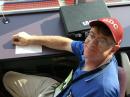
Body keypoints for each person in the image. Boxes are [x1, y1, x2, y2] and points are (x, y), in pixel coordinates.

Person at [3, 17, 125, 97]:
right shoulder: (90, 50)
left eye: (102, 41)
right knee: (8, 78)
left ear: (113, 49)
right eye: (92, 35)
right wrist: (30, 39)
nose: (91, 43)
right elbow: (65, 43)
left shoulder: (102, 90)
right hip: (60, 90)